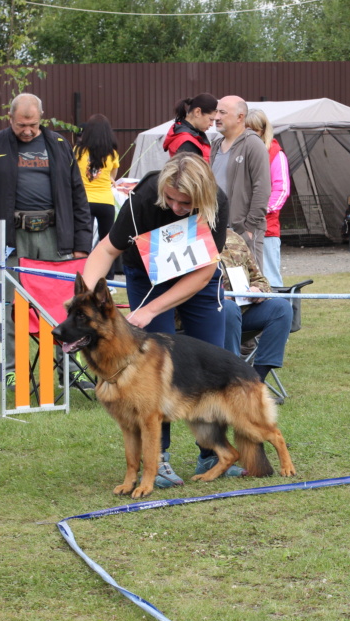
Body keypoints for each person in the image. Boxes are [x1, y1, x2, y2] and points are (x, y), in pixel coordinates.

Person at [82, 153, 235, 487]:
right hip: (146, 272)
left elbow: (207, 269)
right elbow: (106, 250)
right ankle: (159, 459)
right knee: (151, 369)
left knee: (209, 357)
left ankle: (211, 451)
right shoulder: (143, 199)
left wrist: (152, 309)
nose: (178, 207)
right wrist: (87, 299)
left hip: (196, 274)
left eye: (187, 203)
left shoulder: (217, 202)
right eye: (171, 199)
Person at [0, 93, 92, 390]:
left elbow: (77, 195)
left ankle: (70, 371)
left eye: (33, 124)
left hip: (56, 238)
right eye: (21, 125)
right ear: (11, 119)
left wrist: (82, 242)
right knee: (14, 307)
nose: (28, 130)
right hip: (13, 239)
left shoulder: (58, 145)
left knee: (63, 306)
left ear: (41, 118)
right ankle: (13, 373)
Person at [220, 231, 294, 404]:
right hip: (207, 315)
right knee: (228, 308)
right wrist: (214, 296)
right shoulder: (189, 237)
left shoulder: (233, 237)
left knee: (281, 307)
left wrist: (258, 290)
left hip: (244, 311)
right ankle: (231, 385)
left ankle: (255, 385)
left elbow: (260, 279)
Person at [211, 95, 271, 268]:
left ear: (240, 117)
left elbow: (262, 189)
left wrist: (249, 228)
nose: (216, 117)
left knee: (250, 287)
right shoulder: (215, 144)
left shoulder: (253, 144)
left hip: (242, 230)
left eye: (222, 112)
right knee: (222, 284)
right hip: (218, 229)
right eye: (216, 112)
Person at [245, 109, 291, 288]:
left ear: (263, 131)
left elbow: (282, 190)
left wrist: (261, 211)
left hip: (267, 227)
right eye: (246, 129)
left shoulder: (276, 154)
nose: (249, 134)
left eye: (254, 130)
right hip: (241, 225)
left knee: (270, 276)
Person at [74, 114, 120, 277]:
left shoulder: (78, 151)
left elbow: (73, 175)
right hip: (106, 202)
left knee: (83, 241)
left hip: (84, 202)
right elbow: (112, 176)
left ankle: (82, 273)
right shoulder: (112, 153)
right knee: (107, 242)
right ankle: (109, 277)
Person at [162, 93, 218, 162]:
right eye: (211, 119)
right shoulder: (187, 142)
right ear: (197, 112)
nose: (212, 124)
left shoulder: (185, 133)